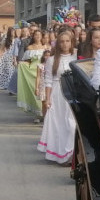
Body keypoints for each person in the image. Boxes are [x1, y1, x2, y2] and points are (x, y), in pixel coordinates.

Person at [38, 30, 78, 163]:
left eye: (68, 41)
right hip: (57, 93)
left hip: (72, 92)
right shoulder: (51, 60)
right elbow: (49, 80)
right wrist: (48, 99)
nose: (65, 44)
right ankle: (61, 153)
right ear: (58, 44)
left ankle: (71, 152)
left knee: (71, 124)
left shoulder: (76, 57)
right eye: (62, 41)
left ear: (71, 42)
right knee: (59, 124)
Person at [17, 30, 46, 119]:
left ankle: (44, 113)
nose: (37, 36)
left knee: (44, 93)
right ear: (33, 37)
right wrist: (22, 64)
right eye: (36, 35)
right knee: (35, 93)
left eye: (39, 35)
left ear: (42, 36)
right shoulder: (29, 48)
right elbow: (27, 61)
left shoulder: (45, 47)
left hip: (43, 72)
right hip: (32, 72)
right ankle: (37, 114)